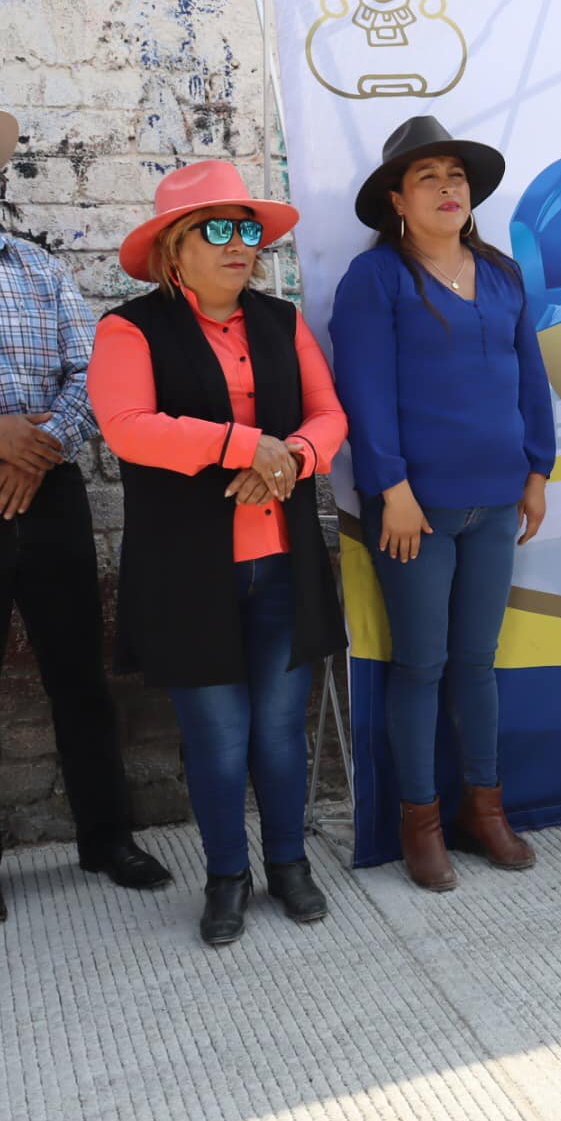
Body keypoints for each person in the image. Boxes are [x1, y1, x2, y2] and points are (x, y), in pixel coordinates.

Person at [88, 160, 347, 945]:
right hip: (186, 573)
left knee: (277, 729)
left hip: (282, 562)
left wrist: (292, 459)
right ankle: (226, 875)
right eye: (219, 229)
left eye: (248, 231)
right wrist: (244, 445)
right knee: (218, 737)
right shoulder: (130, 329)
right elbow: (127, 426)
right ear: (174, 250)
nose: (242, 245)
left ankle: (289, 864)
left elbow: (328, 414)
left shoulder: (281, 320)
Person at [331, 116, 554, 892]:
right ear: (397, 197)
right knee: (420, 667)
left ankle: (483, 810)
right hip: (413, 513)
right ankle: (419, 821)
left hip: (497, 503)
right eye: (427, 177)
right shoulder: (378, 280)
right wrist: (389, 488)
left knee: (476, 665)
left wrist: (538, 471)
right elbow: (363, 391)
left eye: (456, 176)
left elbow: (530, 375)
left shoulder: (500, 275)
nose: (447, 188)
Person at [0, 106, 171, 930]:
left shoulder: (38, 269)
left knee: (80, 677)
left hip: (48, 493)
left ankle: (106, 836)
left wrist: (37, 446)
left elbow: (90, 371)